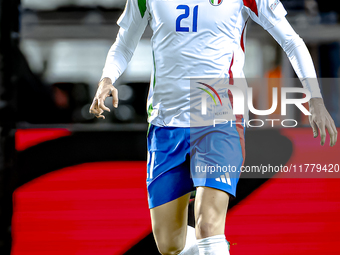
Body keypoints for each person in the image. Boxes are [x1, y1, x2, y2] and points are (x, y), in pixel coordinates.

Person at [89, 0, 337, 254]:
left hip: (218, 112)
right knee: (169, 243)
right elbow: (124, 42)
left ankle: (214, 245)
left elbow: (291, 40)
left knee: (208, 224)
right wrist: (107, 79)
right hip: (165, 121)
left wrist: (314, 98)